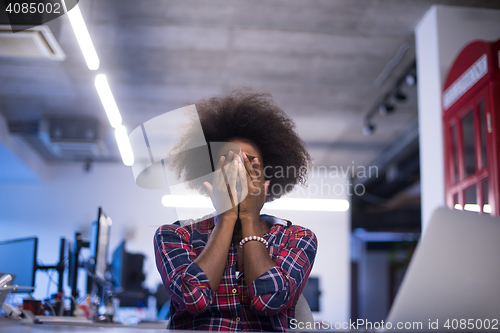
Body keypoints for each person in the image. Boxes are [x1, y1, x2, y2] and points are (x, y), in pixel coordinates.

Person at [154, 89, 318, 331]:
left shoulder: (298, 239)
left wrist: (250, 217)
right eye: (229, 164)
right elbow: (193, 299)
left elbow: (269, 300)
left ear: (266, 182)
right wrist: (227, 217)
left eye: (249, 164)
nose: (239, 173)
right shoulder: (175, 235)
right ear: (210, 180)